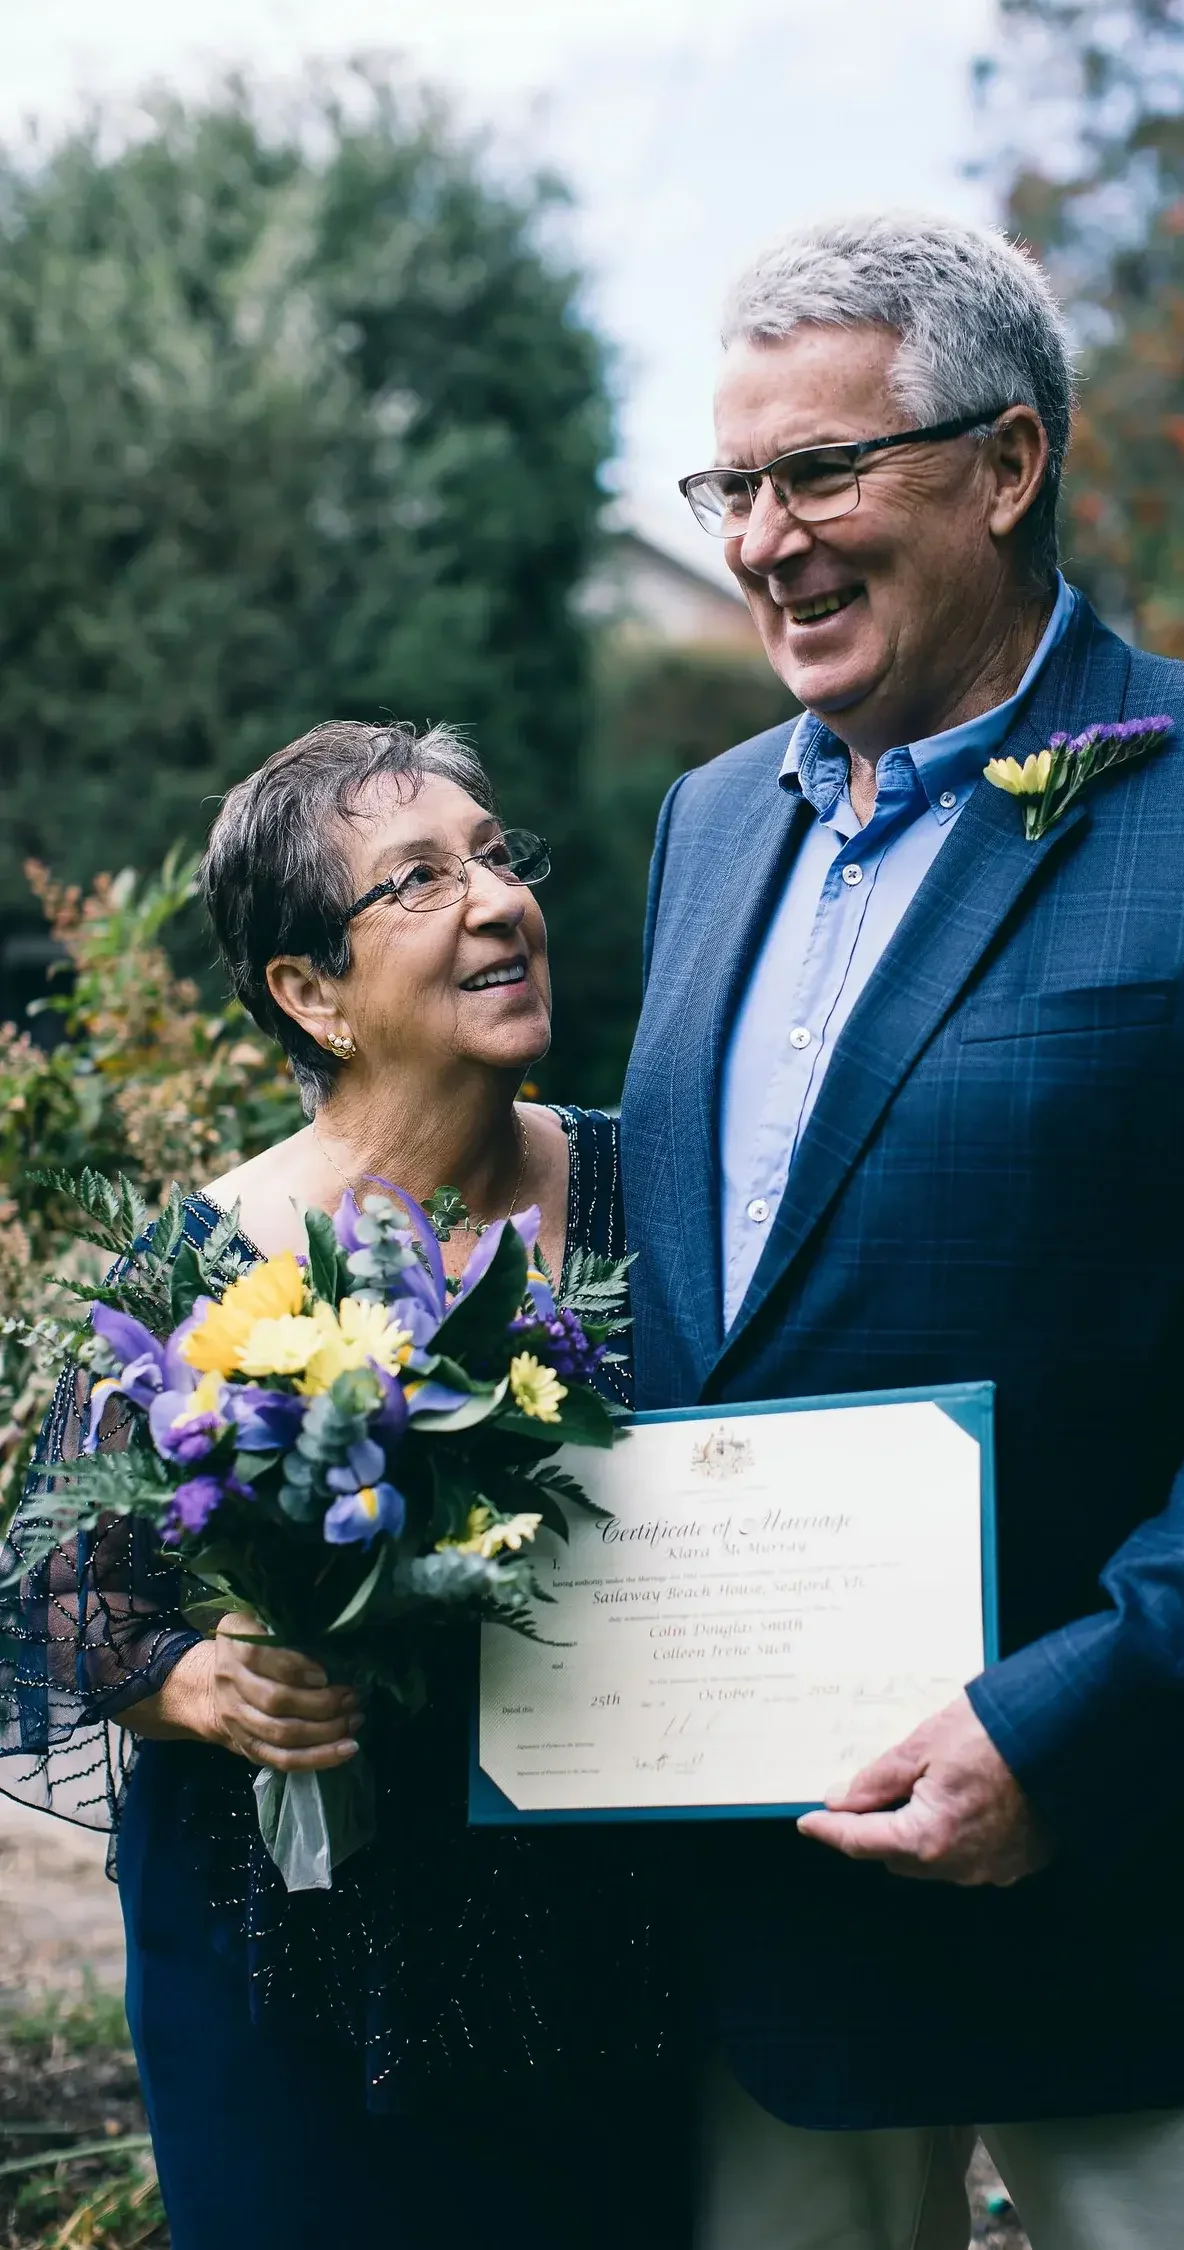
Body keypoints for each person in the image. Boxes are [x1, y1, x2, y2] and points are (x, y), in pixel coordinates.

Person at [619, 212, 1184, 2249]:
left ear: (1008, 466)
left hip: (1142, 1895)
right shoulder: (706, 822)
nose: (766, 540)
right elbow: (709, 1281)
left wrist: (1068, 1732)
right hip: (775, 1910)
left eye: (826, 471)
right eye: (733, 486)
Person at [1, 721, 687, 2250]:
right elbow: (68, 1591)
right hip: (291, 1970)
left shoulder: (653, 1191)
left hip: (601, 1958)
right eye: (421, 878)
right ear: (310, 994)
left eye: (499, 855)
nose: (502, 901)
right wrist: (201, 1682)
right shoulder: (202, 1259)